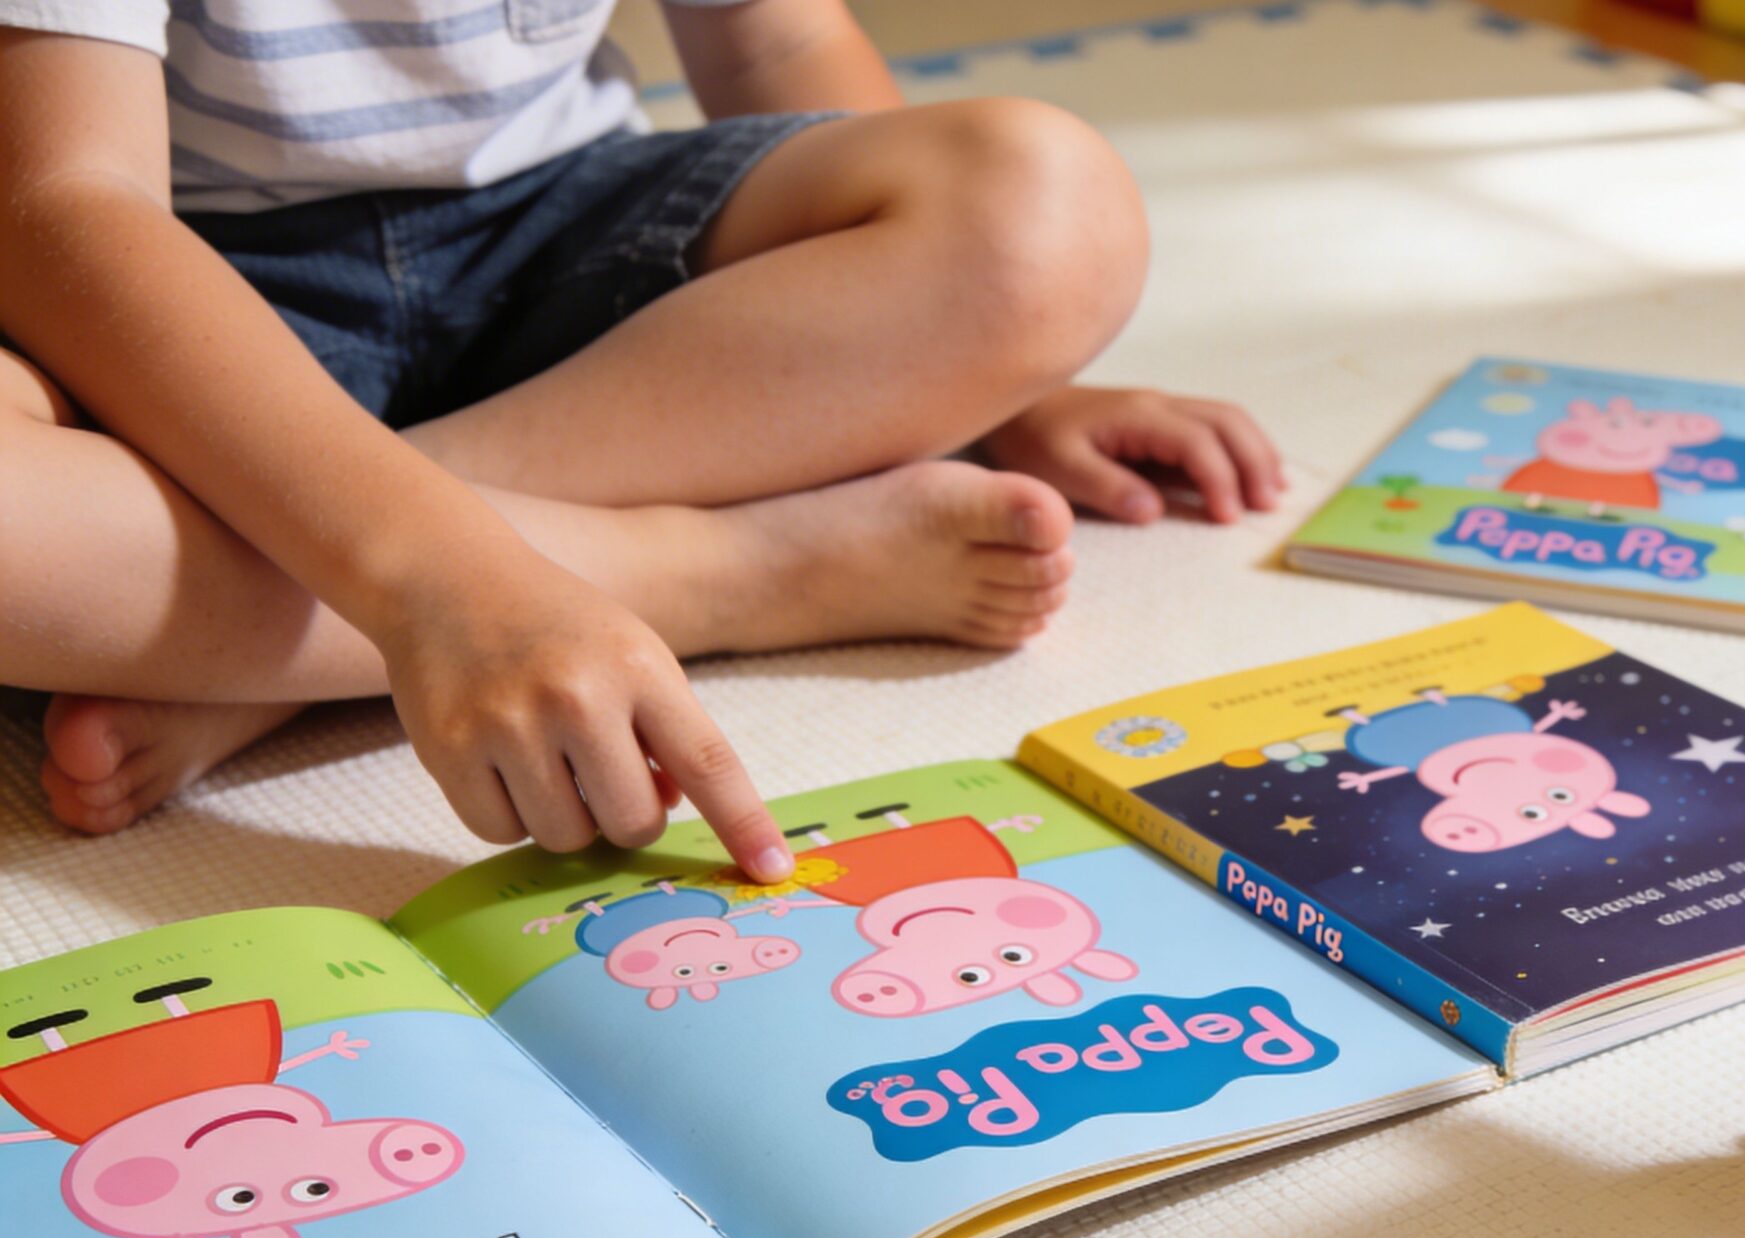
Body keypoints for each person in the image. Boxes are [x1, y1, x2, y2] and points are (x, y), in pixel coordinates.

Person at [0, 0, 1281, 884]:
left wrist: (997, 390)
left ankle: (275, 638)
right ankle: (728, 569)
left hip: (569, 244)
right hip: (170, 298)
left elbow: (776, 39)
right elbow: (67, 202)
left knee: (1046, 204)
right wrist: (440, 580)